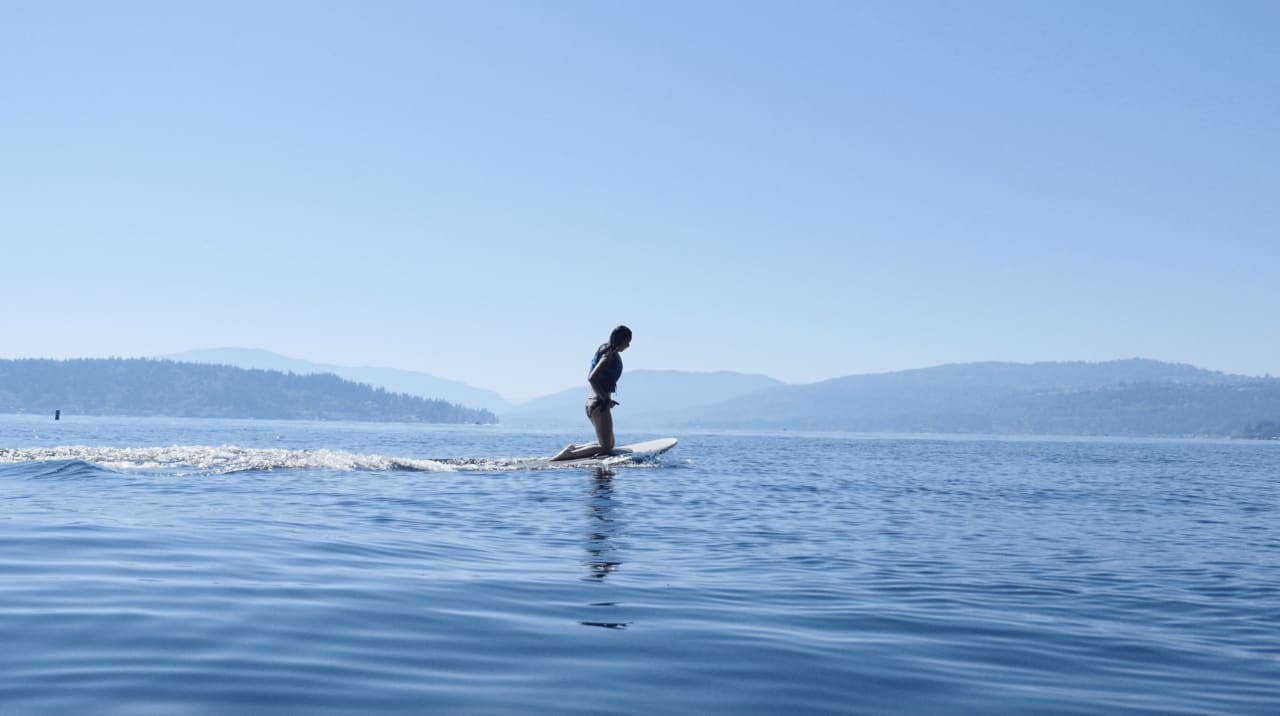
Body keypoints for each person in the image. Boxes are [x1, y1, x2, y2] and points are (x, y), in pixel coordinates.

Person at [551, 325, 632, 461]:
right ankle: (568, 455)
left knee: (609, 445)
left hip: (596, 403)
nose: (629, 345)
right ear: (621, 340)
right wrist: (605, 399)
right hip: (599, 404)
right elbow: (591, 378)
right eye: (628, 341)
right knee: (606, 447)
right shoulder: (608, 355)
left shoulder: (606, 348)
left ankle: (574, 449)